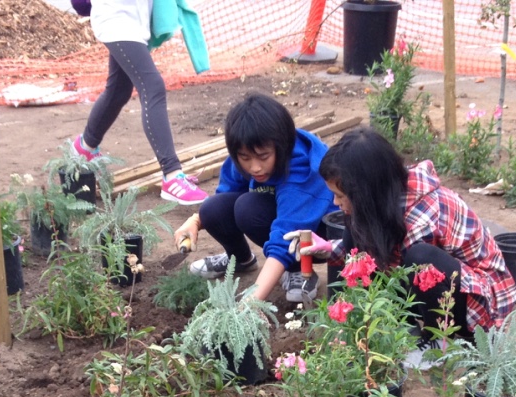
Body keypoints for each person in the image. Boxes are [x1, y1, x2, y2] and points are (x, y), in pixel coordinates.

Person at [287, 125, 516, 341]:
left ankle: (434, 340)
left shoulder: (422, 218)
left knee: (421, 261)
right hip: (438, 283)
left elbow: (395, 270)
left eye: (340, 195)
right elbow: (377, 250)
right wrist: (329, 249)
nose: (335, 203)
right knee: (356, 225)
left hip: (479, 298)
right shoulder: (385, 192)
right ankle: (400, 331)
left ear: (366, 191)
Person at [174, 92, 337, 306]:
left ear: (281, 147)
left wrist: (249, 304)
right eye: (245, 158)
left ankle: (297, 269)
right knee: (212, 209)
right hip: (285, 222)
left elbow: (287, 233)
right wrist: (196, 220)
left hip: (320, 236)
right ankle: (239, 260)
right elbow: (224, 200)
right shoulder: (245, 155)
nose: (255, 167)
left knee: (248, 208)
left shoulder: (302, 167)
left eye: (263, 157)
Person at [68, 0, 208, 206]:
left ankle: (85, 147)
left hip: (132, 21)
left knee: (118, 91)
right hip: (115, 19)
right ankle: (172, 174)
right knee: (152, 86)